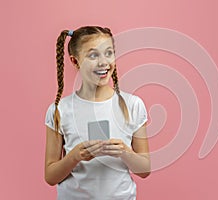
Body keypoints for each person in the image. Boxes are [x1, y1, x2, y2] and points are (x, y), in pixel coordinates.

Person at [44, 26, 151, 200]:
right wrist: (74, 156)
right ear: (75, 61)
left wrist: (124, 151)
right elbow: (50, 176)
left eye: (108, 53)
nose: (103, 62)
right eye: (93, 55)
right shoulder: (60, 110)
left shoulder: (133, 105)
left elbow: (145, 169)